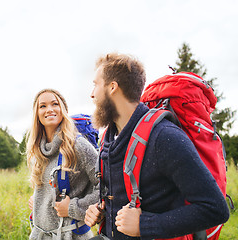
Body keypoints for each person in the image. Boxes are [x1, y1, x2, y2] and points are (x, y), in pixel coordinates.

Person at [84, 53, 230, 239]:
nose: (92, 93)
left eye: (96, 84)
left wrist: (145, 224)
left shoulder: (164, 137)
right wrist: (101, 211)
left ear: (112, 87)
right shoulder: (109, 139)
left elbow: (215, 209)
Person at [27, 88, 99, 240]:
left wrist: (74, 207)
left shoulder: (78, 146)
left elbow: (107, 187)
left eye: (55, 104)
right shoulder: (38, 151)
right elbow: (48, 188)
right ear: (37, 113)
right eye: (43, 106)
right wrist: (39, 201)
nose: (50, 109)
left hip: (71, 235)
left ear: (63, 109)